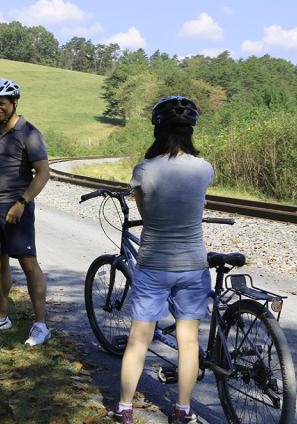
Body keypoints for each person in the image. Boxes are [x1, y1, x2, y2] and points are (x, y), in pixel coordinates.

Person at [108, 96, 212, 424]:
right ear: (190, 131)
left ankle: (125, 407)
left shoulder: (143, 170)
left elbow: (146, 213)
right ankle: (183, 410)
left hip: (153, 264)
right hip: (192, 265)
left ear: (157, 130)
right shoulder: (204, 168)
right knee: (188, 340)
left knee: (139, 338)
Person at [0, 78, 51, 346]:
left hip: (18, 207)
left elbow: (43, 173)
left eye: (1, 103)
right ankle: (0, 316)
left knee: (28, 263)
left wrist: (22, 202)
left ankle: (41, 325)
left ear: (15, 102)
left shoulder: (29, 133)